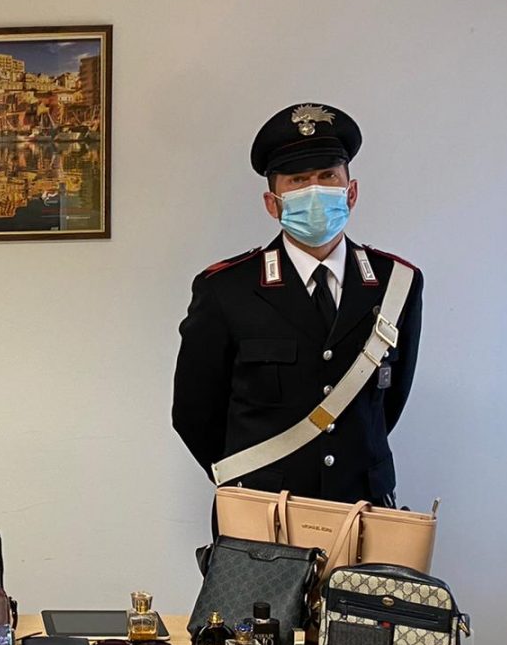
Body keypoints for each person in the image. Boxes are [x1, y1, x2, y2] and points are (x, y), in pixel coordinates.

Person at [172, 103, 422, 505]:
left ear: (351, 192)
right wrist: (249, 478)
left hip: (363, 505)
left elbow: (388, 404)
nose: (315, 190)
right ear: (273, 203)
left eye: (327, 176)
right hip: (262, 510)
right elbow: (193, 413)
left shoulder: (396, 282)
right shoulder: (226, 290)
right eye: (298, 180)